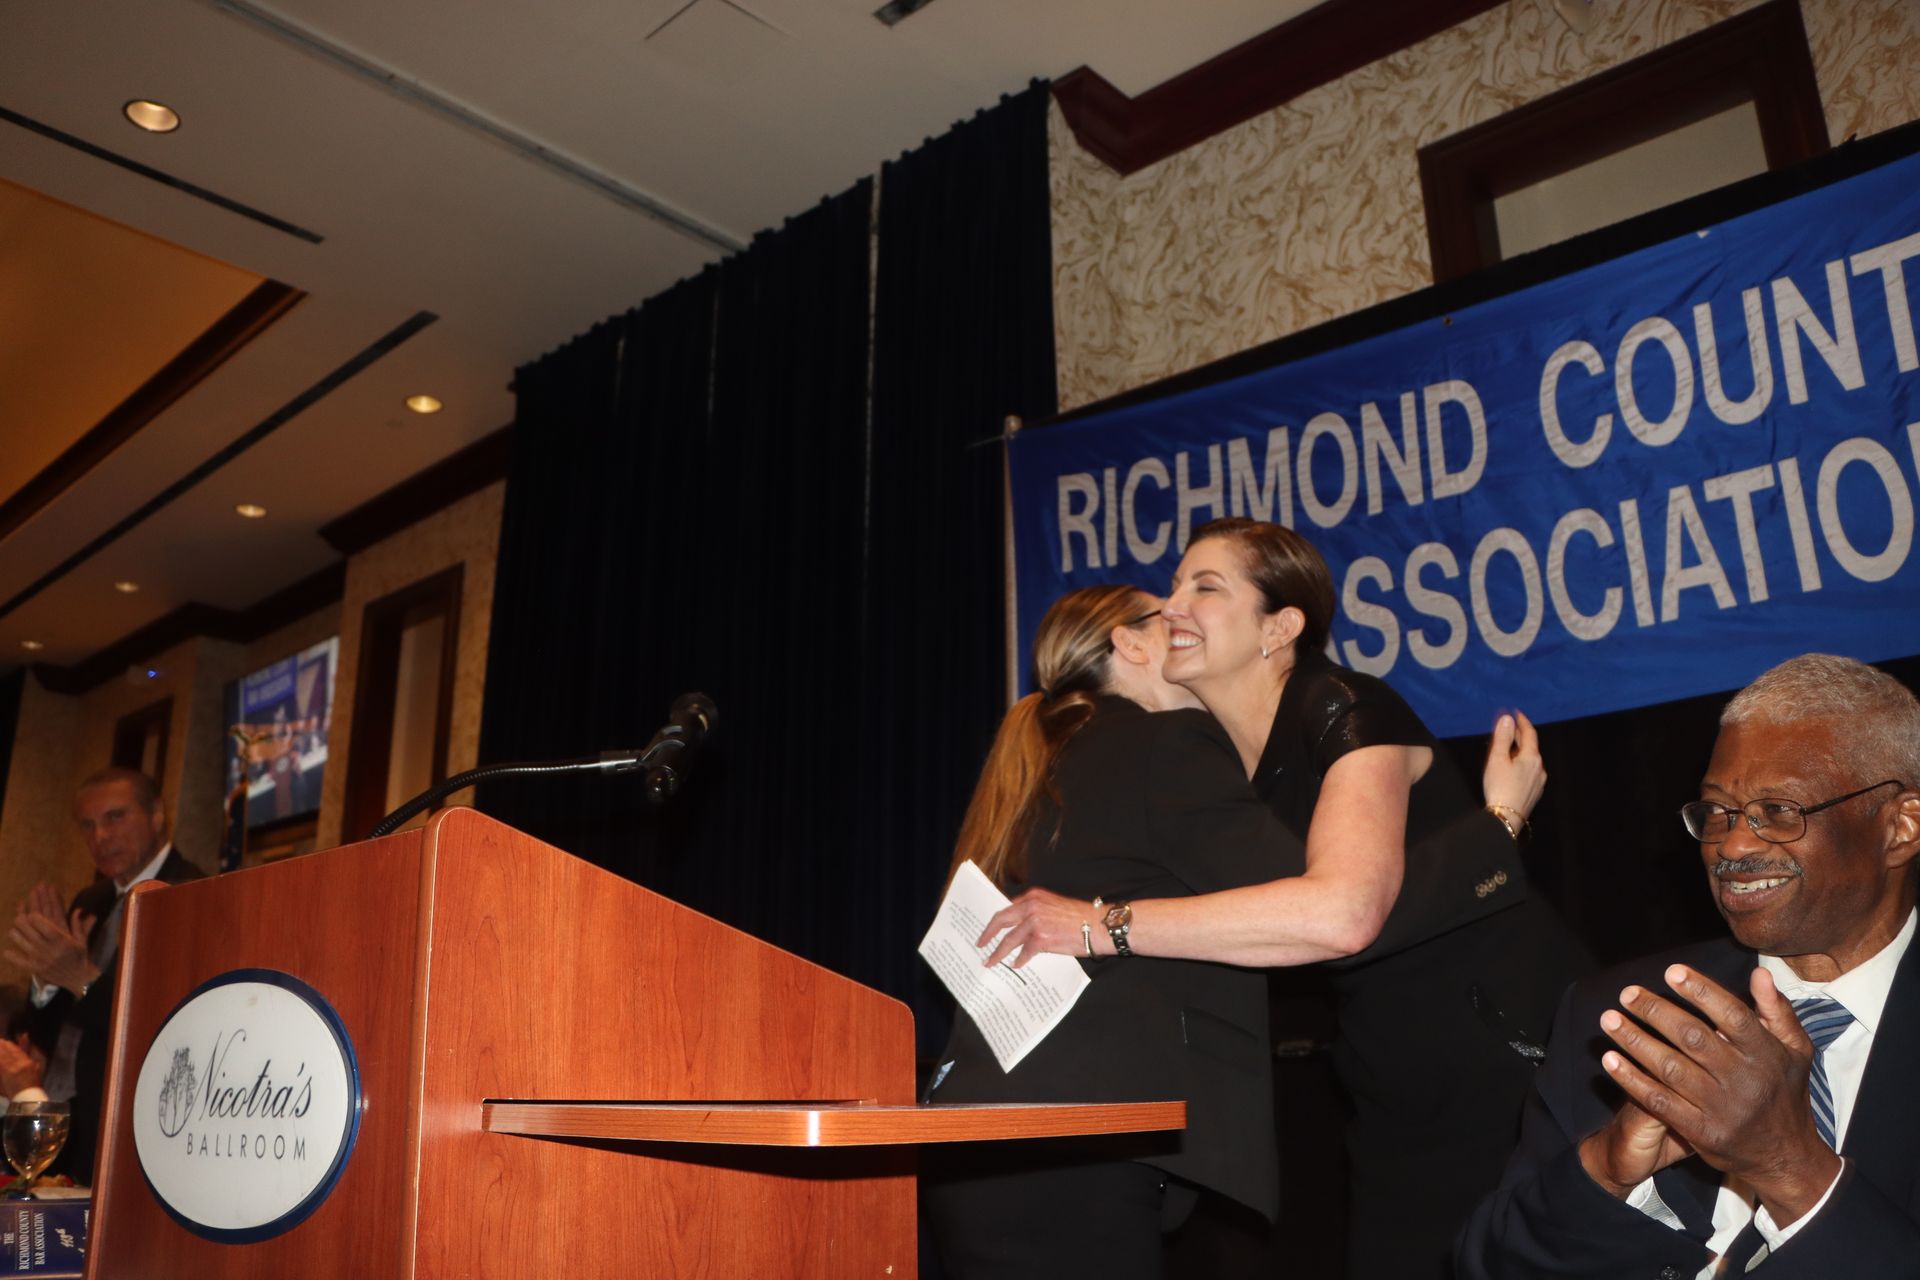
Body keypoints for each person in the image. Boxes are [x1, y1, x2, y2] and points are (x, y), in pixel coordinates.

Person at [982, 518, 1584, 1279]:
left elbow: (1342, 915)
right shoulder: (1219, 766)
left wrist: (1102, 925)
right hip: (1393, 1084)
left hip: (1506, 1057)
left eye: (1204, 586)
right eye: (1171, 587)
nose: (1172, 606)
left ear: (1281, 626)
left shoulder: (1341, 705)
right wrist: (1495, 828)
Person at [1457, 654, 1920, 1278]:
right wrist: (1608, 1170)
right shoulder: (1616, 1013)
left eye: (1780, 811)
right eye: (1717, 812)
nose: (1732, 844)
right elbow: (1488, 1266)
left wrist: (1790, 1167)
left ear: (1900, 827)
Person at [921, 585, 1310, 1280]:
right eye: (1170, 615)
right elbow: (1314, 901)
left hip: (974, 1138)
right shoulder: (1163, 742)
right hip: (1076, 1147)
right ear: (1130, 645)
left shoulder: (1043, 761)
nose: (1187, 622)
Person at [4, 768, 204, 1183]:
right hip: (69, 1118)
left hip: (136, 1123)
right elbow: (51, 1029)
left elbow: (167, 1023)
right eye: (88, 825)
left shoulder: (195, 893)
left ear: (156, 815)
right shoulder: (90, 900)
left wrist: (81, 978)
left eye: (115, 817)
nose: (100, 837)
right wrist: (45, 979)